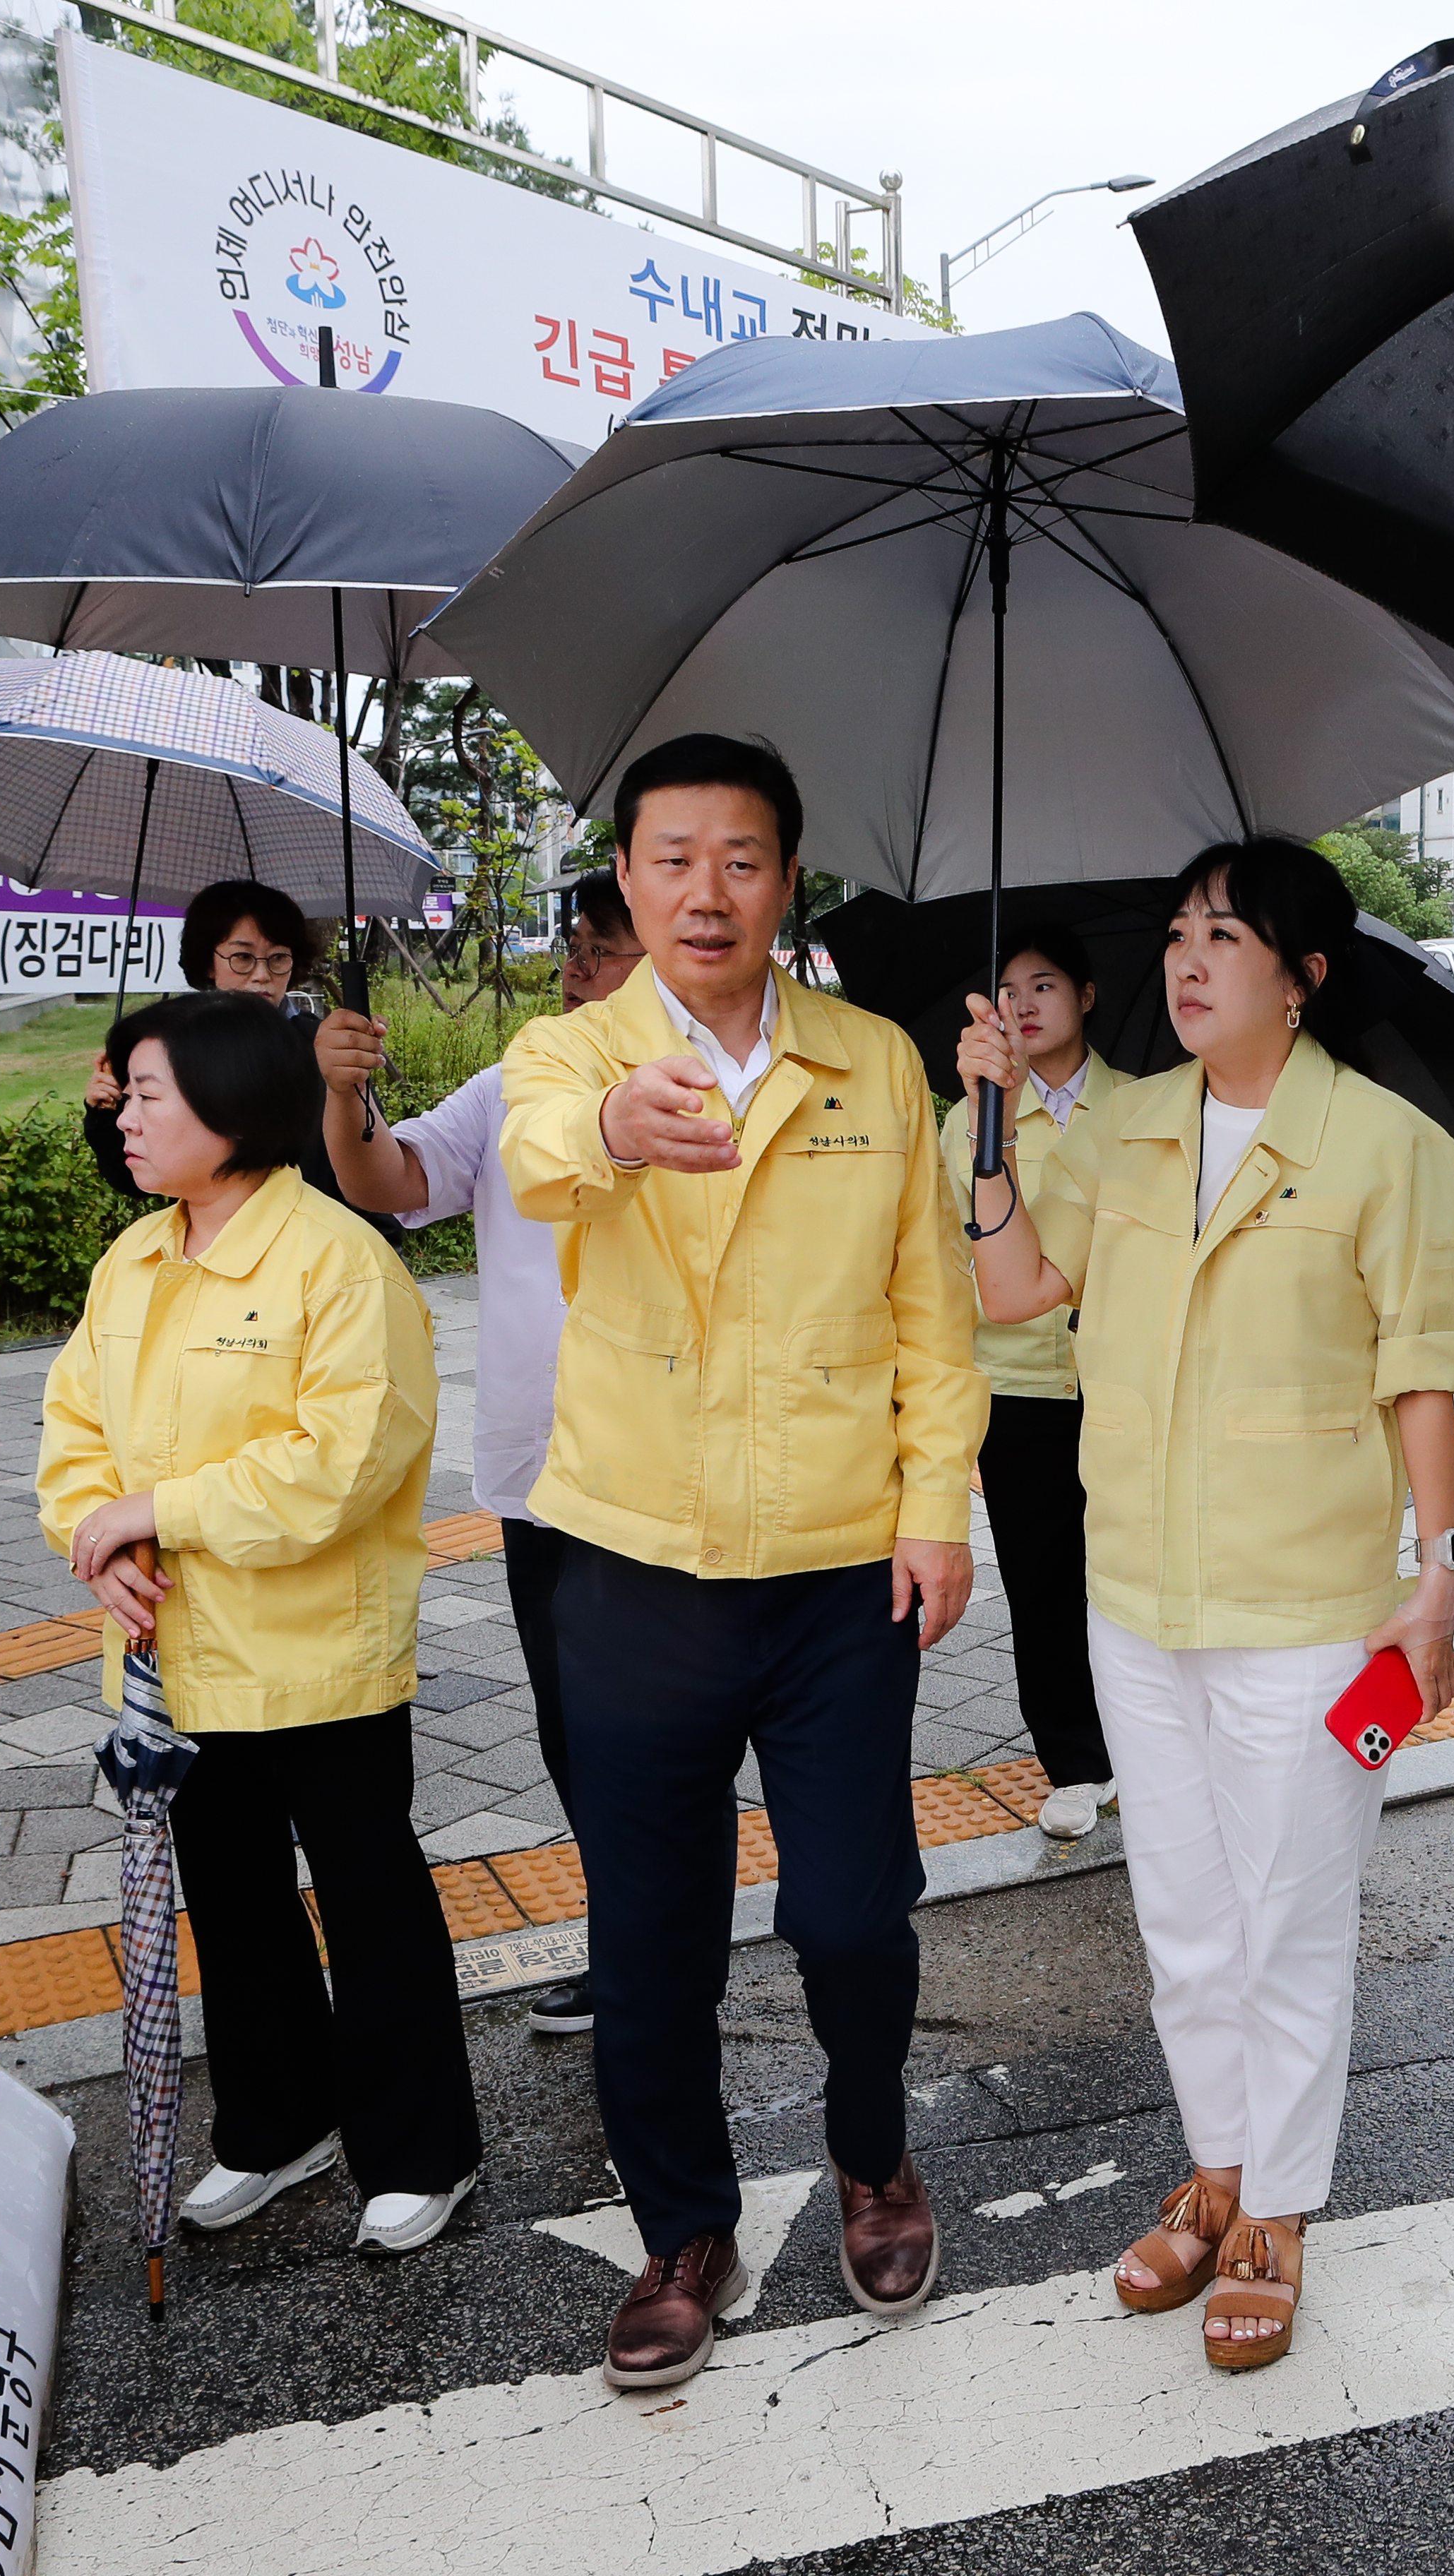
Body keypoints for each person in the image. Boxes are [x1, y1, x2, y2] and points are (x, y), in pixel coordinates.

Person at [498, 733, 984, 2393]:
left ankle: (870, 2153)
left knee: (854, 1915)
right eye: (674, 856)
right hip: (632, 1569)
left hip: (842, 1571)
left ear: (789, 881)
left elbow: (934, 1305)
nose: (707, 889)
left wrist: (936, 1507)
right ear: (626, 878)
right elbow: (540, 1153)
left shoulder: (871, 1063)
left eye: (744, 858)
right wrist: (626, 1130)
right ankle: (684, 2227)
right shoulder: (570, 1052)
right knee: (650, 1948)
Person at [953, 838, 1454, 2375]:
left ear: (1304, 979)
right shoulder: (1121, 1133)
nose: (1191, 961)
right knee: (1183, 1922)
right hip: (1139, 1596)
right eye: (1180, 931)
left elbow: (1424, 1377)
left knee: (1289, 1918)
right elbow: (1012, 1293)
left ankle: (1281, 2214)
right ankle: (1221, 2165)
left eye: (1228, 936)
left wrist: (1438, 1581)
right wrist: (989, 1128)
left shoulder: (1386, 1149)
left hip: (1312, 1606)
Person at [34, 990, 476, 2253]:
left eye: (150, 1093)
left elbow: (340, 1463)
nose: (121, 1113)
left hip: (318, 1652)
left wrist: (152, 1507)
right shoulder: (133, 1260)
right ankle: (278, 2124)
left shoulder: (341, 1260)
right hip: (171, 1653)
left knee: (367, 1894)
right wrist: (96, 1539)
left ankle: (419, 2147)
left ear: (231, 1105)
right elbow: (73, 1434)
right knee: (228, 1898)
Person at [313, 869, 642, 2036]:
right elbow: (387, 1179)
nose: (575, 968)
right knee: (568, 1722)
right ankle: (627, 1941)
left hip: (661, 1484)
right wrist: (344, 1093)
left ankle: (662, 1945)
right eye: (576, 947)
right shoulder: (515, 1086)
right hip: (535, 1470)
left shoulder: (711, 1096)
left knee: (654, 1733)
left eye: (603, 950)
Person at [939, 924, 1136, 1843]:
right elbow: (953, 1258)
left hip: (1123, 1383)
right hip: (1016, 1389)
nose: (1022, 1004)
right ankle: (1074, 1761)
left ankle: (1144, 1747)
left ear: (1088, 996)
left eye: (1044, 985)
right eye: (1007, 990)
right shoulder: (965, 1119)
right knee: (1043, 1578)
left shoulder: (1142, 1109)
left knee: (1130, 1573)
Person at [84, 878, 390, 1234]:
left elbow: (369, 1169)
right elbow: (130, 1176)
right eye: (242, 957)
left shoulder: (323, 1049)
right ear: (207, 961)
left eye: (278, 958)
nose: (262, 976)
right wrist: (106, 1113)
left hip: (317, 1253)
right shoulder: (166, 1051)